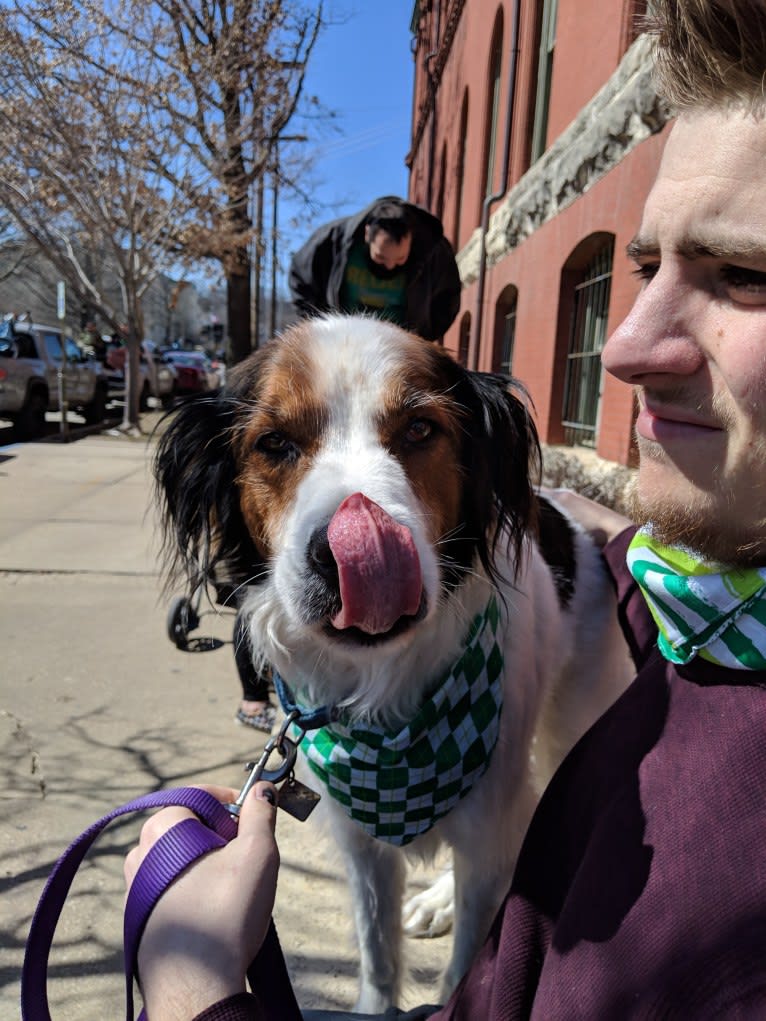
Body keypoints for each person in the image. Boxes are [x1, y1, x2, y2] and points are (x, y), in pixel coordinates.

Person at [124, 2, 766, 1017]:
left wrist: (193, 993)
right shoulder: (683, 592)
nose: (630, 347)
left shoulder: (705, 905)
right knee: (372, 838)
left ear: (478, 470)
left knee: (509, 819)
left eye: (744, 275)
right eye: (645, 268)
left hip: (557, 618)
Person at [288, 196, 461, 342]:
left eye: (400, 259)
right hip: (343, 341)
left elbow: (448, 297)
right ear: (367, 234)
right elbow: (300, 279)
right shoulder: (331, 241)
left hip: (399, 347)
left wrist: (423, 337)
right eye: (381, 257)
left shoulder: (435, 253)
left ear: (412, 239)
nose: (390, 265)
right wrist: (321, 327)